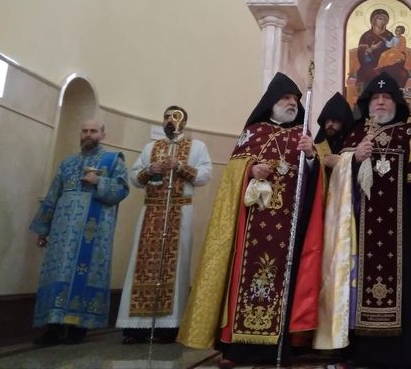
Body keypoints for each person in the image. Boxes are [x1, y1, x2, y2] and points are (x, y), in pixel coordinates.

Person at [178, 72, 323, 368]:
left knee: (287, 282)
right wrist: (250, 170)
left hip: (290, 226)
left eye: (295, 99)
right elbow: (233, 173)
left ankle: (281, 347)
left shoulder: (303, 135)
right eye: (286, 98)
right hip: (252, 226)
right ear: (271, 102)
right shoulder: (253, 132)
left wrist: (311, 157)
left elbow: (315, 181)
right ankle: (238, 349)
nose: (292, 103)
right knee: (244, 280)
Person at [315, 71, 411, 368]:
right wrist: (353, 158)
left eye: (387, 97)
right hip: (361, 229)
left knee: (406, 282)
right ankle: (362, 350)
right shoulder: (357, 133)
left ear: (396, 102)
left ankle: (403, 349)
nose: (381, 102)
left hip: (403, 227)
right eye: (376, 98)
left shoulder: (409, 129)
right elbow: (336, 175)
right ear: (367, 104)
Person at [116, 105, 212, 344]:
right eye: (167, 117)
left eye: (175, 117)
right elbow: (135, 177)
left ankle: (169, 325)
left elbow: (204, 175)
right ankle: (136, 327)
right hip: (152, 211)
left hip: (180, 210)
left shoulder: (197, 146)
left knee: (176, 265)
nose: (170, 121)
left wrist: (179, 166)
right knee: (142, 264)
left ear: (184, 122)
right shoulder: (151, 147)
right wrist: (150, 169)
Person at [30, 119, 129, 346]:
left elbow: (122, 190)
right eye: (84, 131)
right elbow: (53, 195)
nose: (88, 134)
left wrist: (98, 181)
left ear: (102, 135)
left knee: (87, 272)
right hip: (62, 233)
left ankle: (78, 327)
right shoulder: (67, 163)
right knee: (58, 274)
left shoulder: (113, 160)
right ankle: (53, 328)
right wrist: (44, 228)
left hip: (93, 232)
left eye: (93, 131)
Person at [356, 9, 410, 88]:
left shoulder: (389, 35)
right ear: (374, 20)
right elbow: (362, 56)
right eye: (379, 19)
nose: (382, 21)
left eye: (384, 19)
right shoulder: (366, 36)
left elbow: (398, 50)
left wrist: (400, 59)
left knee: (403, 73)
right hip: (371, 65)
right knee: (372, 73)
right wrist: (371, 49)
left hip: (388, 64)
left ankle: (396, 94)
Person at [313, 91, 354, 172]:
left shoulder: (351, 144)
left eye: (335, 121)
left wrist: (340, 164)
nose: (330, 125)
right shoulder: (321, 146)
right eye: (327, 121)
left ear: (344, 123)